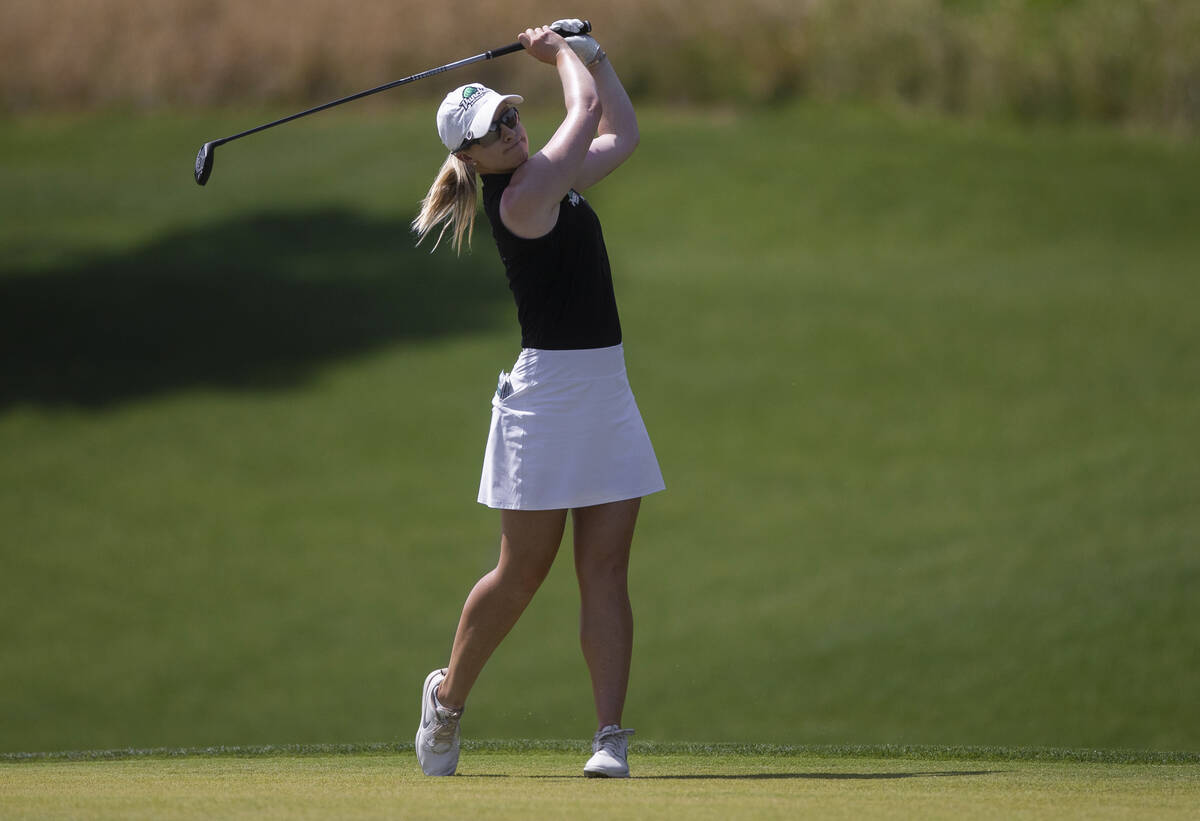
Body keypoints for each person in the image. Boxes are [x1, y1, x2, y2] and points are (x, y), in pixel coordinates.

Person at [410, 21, 664, 778]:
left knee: (607, 569)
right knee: (524, 571)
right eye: (495, 130)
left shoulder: (548, 180)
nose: (513, 130)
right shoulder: (520, 198)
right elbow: (583, 117)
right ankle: (447, 699)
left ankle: (609, 736)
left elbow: (623, 131)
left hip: (604, 388)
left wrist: (598, 56)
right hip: (546, 402)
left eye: (512, 114)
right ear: (471, 157)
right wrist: (560, 57)